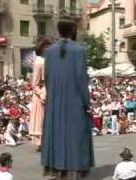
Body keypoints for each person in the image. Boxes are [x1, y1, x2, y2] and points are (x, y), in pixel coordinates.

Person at [41, 19, 95, 179]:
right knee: (76, 135)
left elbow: (48, 77)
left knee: (58, 134)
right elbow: (81, 78)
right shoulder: (79, 50)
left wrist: (53, 98)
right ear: (72, 30)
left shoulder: (49, 51)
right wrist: (87, 102)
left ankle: (58, 169)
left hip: (55, 100)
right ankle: (75, 170)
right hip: (75, 100)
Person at [29, 37, 52, 152]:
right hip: (41, 95)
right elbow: (35, 84)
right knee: (40, 119)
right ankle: (40, 142)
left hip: (48, 92)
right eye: (46, 47)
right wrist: (41, 94)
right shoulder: (38, 62)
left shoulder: (48, 61)